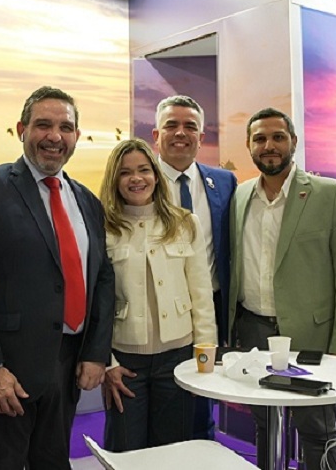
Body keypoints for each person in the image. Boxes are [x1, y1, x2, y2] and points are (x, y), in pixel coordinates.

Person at [0, 85, 114, 470]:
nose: (54, 136)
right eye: (43, 125)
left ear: (76, 135)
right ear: (21, 129)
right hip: (9, 369)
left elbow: (103, 279)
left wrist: (96, 353)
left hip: (68, 366)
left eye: (65, 127)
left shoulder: (87, 201)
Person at [228, 107, 336, 470]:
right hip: (254, 332)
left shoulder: (331, 194)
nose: (269, 146)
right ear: (249, 145)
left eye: (278, 137)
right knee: (265, 425)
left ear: (293, 141)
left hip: (311, 338)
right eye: (260, 139)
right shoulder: (240, 197)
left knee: (317, 430)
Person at [100, 138, 217, 451]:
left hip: (178, 357)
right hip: (124, 361)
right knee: (127, 451)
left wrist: (204, 359)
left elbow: (201, 296)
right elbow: (95, 305)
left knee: (172, 450)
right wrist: (107, 364)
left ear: (155, 174)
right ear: (114, 180)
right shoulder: (103, 227)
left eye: (143, 170)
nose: (136, 178)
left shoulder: (184, 223)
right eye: (125, 173)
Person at [152, 95, 236, 440]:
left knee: (202, 403)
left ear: (202, 137)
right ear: (156, 135)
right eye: (171, 125)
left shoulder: (224, 182)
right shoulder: (137, 181)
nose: (180, 133)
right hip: (157, 314)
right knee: (159, 412)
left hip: (208, 309)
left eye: (190, 127)